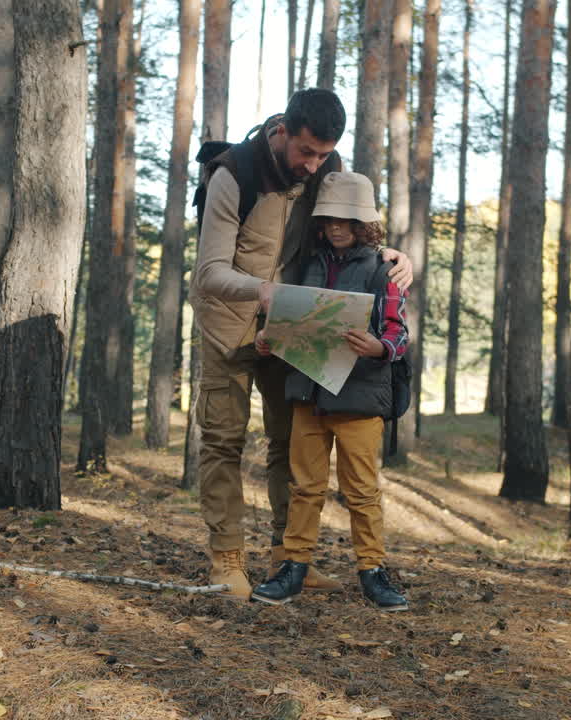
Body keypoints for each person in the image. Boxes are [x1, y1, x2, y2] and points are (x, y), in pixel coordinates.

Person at [190, 88, 412, 601]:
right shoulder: (234, 173)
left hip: (291, 330)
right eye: (305, 152)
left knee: (289, 444)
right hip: (229, 326)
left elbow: (343, 225)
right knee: (223, 439)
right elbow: (209, 272)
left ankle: (288, 559)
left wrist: (391, 256)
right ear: (283, 131)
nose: (313, 165)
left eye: (323, 153)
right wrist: (261, 289)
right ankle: (226, 558)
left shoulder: (326, 166)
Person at [250, 171, 409, 611]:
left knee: (361, 490)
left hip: (360, 398)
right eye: (328, 219)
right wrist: (269, 339)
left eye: (345, 219)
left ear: (363, 222)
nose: (335, 227)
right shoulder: (307, 263)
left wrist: (380, 346)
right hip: (308, 392)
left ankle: (372, 572)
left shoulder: (386, 269)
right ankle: (294, 567)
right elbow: (289, 321)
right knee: (305, 486)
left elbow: (399, 332)